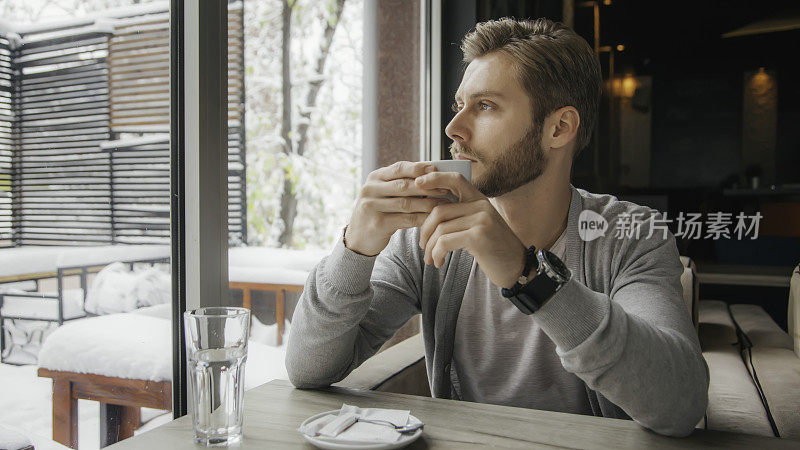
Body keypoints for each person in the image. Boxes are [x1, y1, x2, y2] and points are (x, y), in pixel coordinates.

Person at [286, 17, 708, 437]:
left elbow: (680, 404)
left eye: (485, 106)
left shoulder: (630, 236)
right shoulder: (428, 235)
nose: (454, 128)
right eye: (459, 106)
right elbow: (308, 369)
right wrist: (355, 248)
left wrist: (528, 277)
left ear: (559, 128)